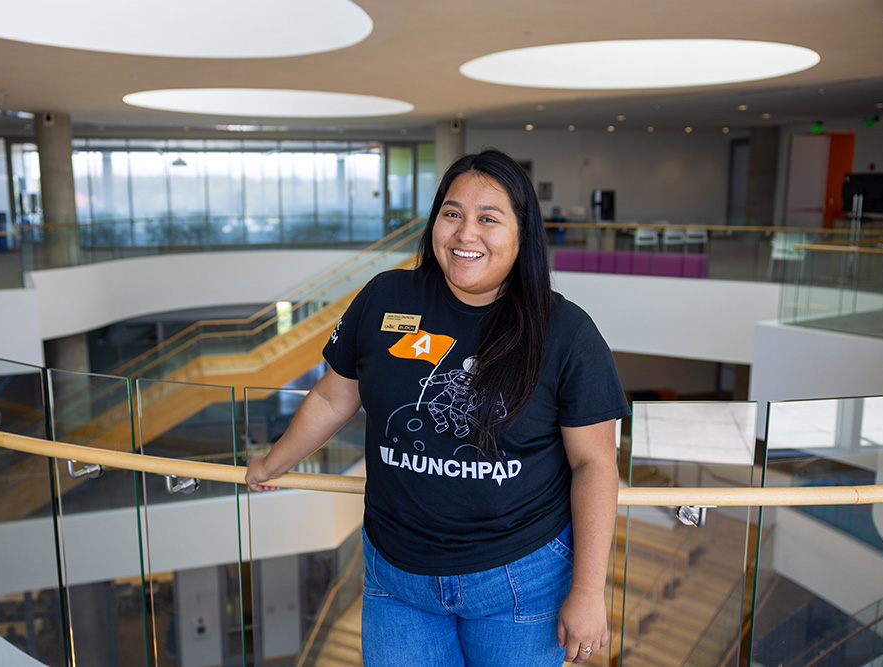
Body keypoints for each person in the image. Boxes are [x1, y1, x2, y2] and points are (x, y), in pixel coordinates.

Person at [246, 148, 630, 665]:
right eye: (452, 214)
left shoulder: (566, 331)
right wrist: (274, 462)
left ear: (523, 234)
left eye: (488, 219)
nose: (465, 234)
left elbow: (595, 462)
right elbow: (334, 396)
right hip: (398, 579)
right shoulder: (386, 297)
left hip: (519, 578)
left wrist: (587, 589)